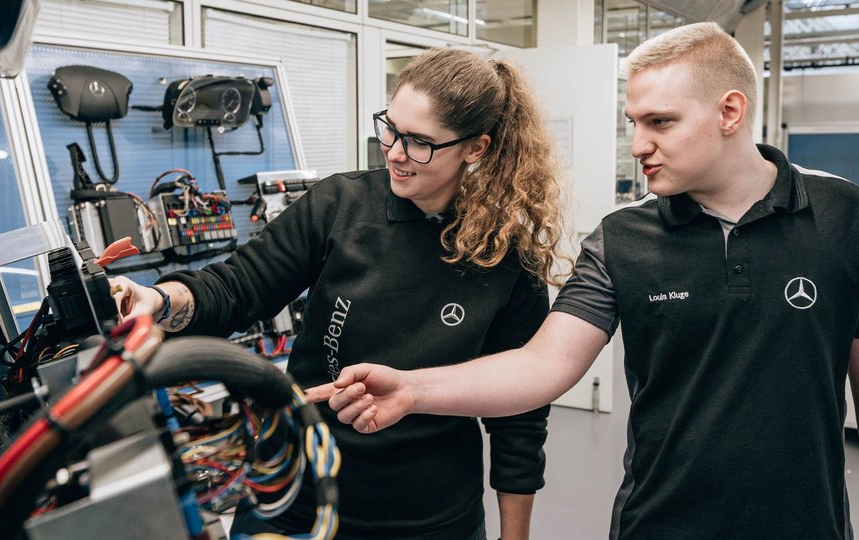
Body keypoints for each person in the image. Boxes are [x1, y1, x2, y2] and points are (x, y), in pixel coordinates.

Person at [310, 22, 859, 540]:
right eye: (633, 123)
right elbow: (542, 364)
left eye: (660, 122)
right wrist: (413, 388)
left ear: (730, 112)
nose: (639, 143)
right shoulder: (622, 238)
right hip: (660, 523)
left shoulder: (842, 217)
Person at [111, 48, 569, 539]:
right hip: (295, 492)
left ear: (475, 149)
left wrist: (514, 536)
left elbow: (520, 416)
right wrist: (159, 299)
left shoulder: (505, 256)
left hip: (426, 515)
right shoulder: (342, 205)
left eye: (419, 142)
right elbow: (238, 286)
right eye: (390, 128)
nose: (393, 152)